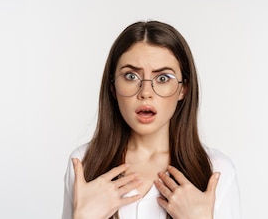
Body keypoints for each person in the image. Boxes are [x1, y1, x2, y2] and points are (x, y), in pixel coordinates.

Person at [62, 20, 241, 219]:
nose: (145, 93)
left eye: (163, 78)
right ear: (112, 86)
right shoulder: (84, 164)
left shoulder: (216, 170)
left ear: (184, 88)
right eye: (131, 76)